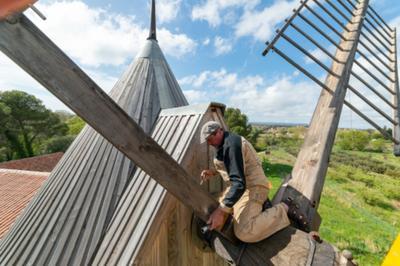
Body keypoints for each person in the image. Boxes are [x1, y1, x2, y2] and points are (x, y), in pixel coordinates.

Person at [200, 121, 292, 243]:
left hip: (253, 187)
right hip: (239, 188)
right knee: (213, 207)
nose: (209, 143)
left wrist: (221, 212)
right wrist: (213, 172)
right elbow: (232, 167)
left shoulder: (232, 145)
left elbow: (239, 183)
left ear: (219, 132)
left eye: (209, 139)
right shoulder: (223, 145)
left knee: (244, 231)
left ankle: (284, 208)